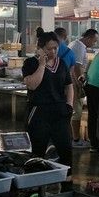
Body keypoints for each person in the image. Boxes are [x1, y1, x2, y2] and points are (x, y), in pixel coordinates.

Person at [22, 29, 74, 171]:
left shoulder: (61, 64)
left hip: (60, 112)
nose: (53, 52)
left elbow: (69, 85)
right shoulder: (30, 63)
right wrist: (42, 65)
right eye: (49, 49)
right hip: (39, 112)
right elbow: (32, 85)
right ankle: (37, 181)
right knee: (37, 152)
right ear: (40, 48)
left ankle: (66, 180)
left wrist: (69, 105)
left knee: (66, 150)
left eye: (55, 48)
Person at [67, 29, 99, 148]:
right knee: (77, 111)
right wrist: (80, 84)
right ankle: (76, 140)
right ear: (88, 38)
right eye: (94, 41)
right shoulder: (79, 46)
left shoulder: (75, 44)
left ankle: (71, 138)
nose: (94, 43)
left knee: (73, 110)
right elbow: (77, 67)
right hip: (74, 83)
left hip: (71, 82)